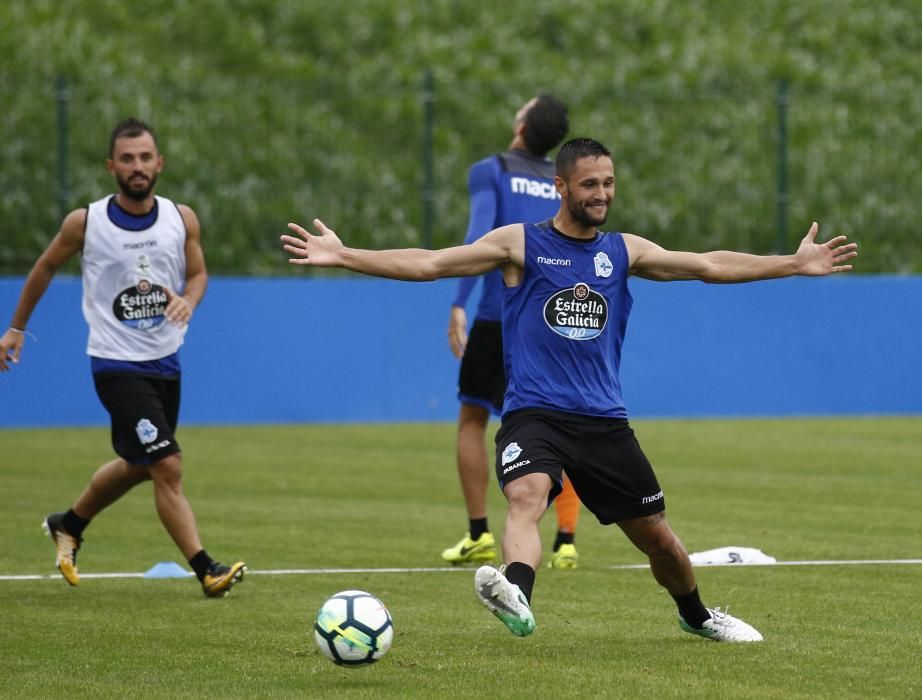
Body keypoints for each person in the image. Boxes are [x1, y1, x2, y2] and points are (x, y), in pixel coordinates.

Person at [280, 137, 857, 642]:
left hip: (605, 422)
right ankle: (517, 594)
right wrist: (344, 254)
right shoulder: (520, 244)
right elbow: (431, 263)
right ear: (561, 187)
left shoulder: (623, 251)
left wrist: (792, 263)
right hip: (536, 413)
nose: (601, 193)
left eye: (608, 183)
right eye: (589, 184)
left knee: (659, 540)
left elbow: (707, 264)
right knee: (528, 497)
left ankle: (699, 616)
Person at [0, 117, 245, 597]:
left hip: (166, 360)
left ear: (160, 163)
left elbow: (198, 276)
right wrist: (15, 328)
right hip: (115, 363)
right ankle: (207, 569)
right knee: (168, 464)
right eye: (127, 158)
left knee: (139, 465)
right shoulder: (86, 222)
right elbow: (46, 267)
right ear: (112, 166)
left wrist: (188, 300)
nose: (137, 166)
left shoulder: (182, 218)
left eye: (145, 157)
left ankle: (67, 523)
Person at [442, 94, 584, 570]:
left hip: (497, 316)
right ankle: (564, 538)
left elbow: (477, 241)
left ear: (521, 125)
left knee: (472, 420)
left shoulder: (493, 169)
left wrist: (459, 303)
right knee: (559, 422)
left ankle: (480, 533)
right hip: (552, 320)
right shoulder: (563, 181)